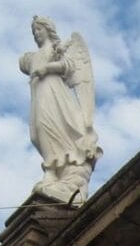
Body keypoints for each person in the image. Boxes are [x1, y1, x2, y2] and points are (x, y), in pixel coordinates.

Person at [19, 16, 102, 205]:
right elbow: (23, 63)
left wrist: (48, 67)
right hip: (39, 95)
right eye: (34, 32)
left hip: (53, 93)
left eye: (38, 30)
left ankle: (59, 173)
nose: (36, 35)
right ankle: (52, 171)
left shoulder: (56, 50)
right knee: (37, 134)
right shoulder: (35, 55)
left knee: (53, 127)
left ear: (48, 30)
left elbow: (69, 66)